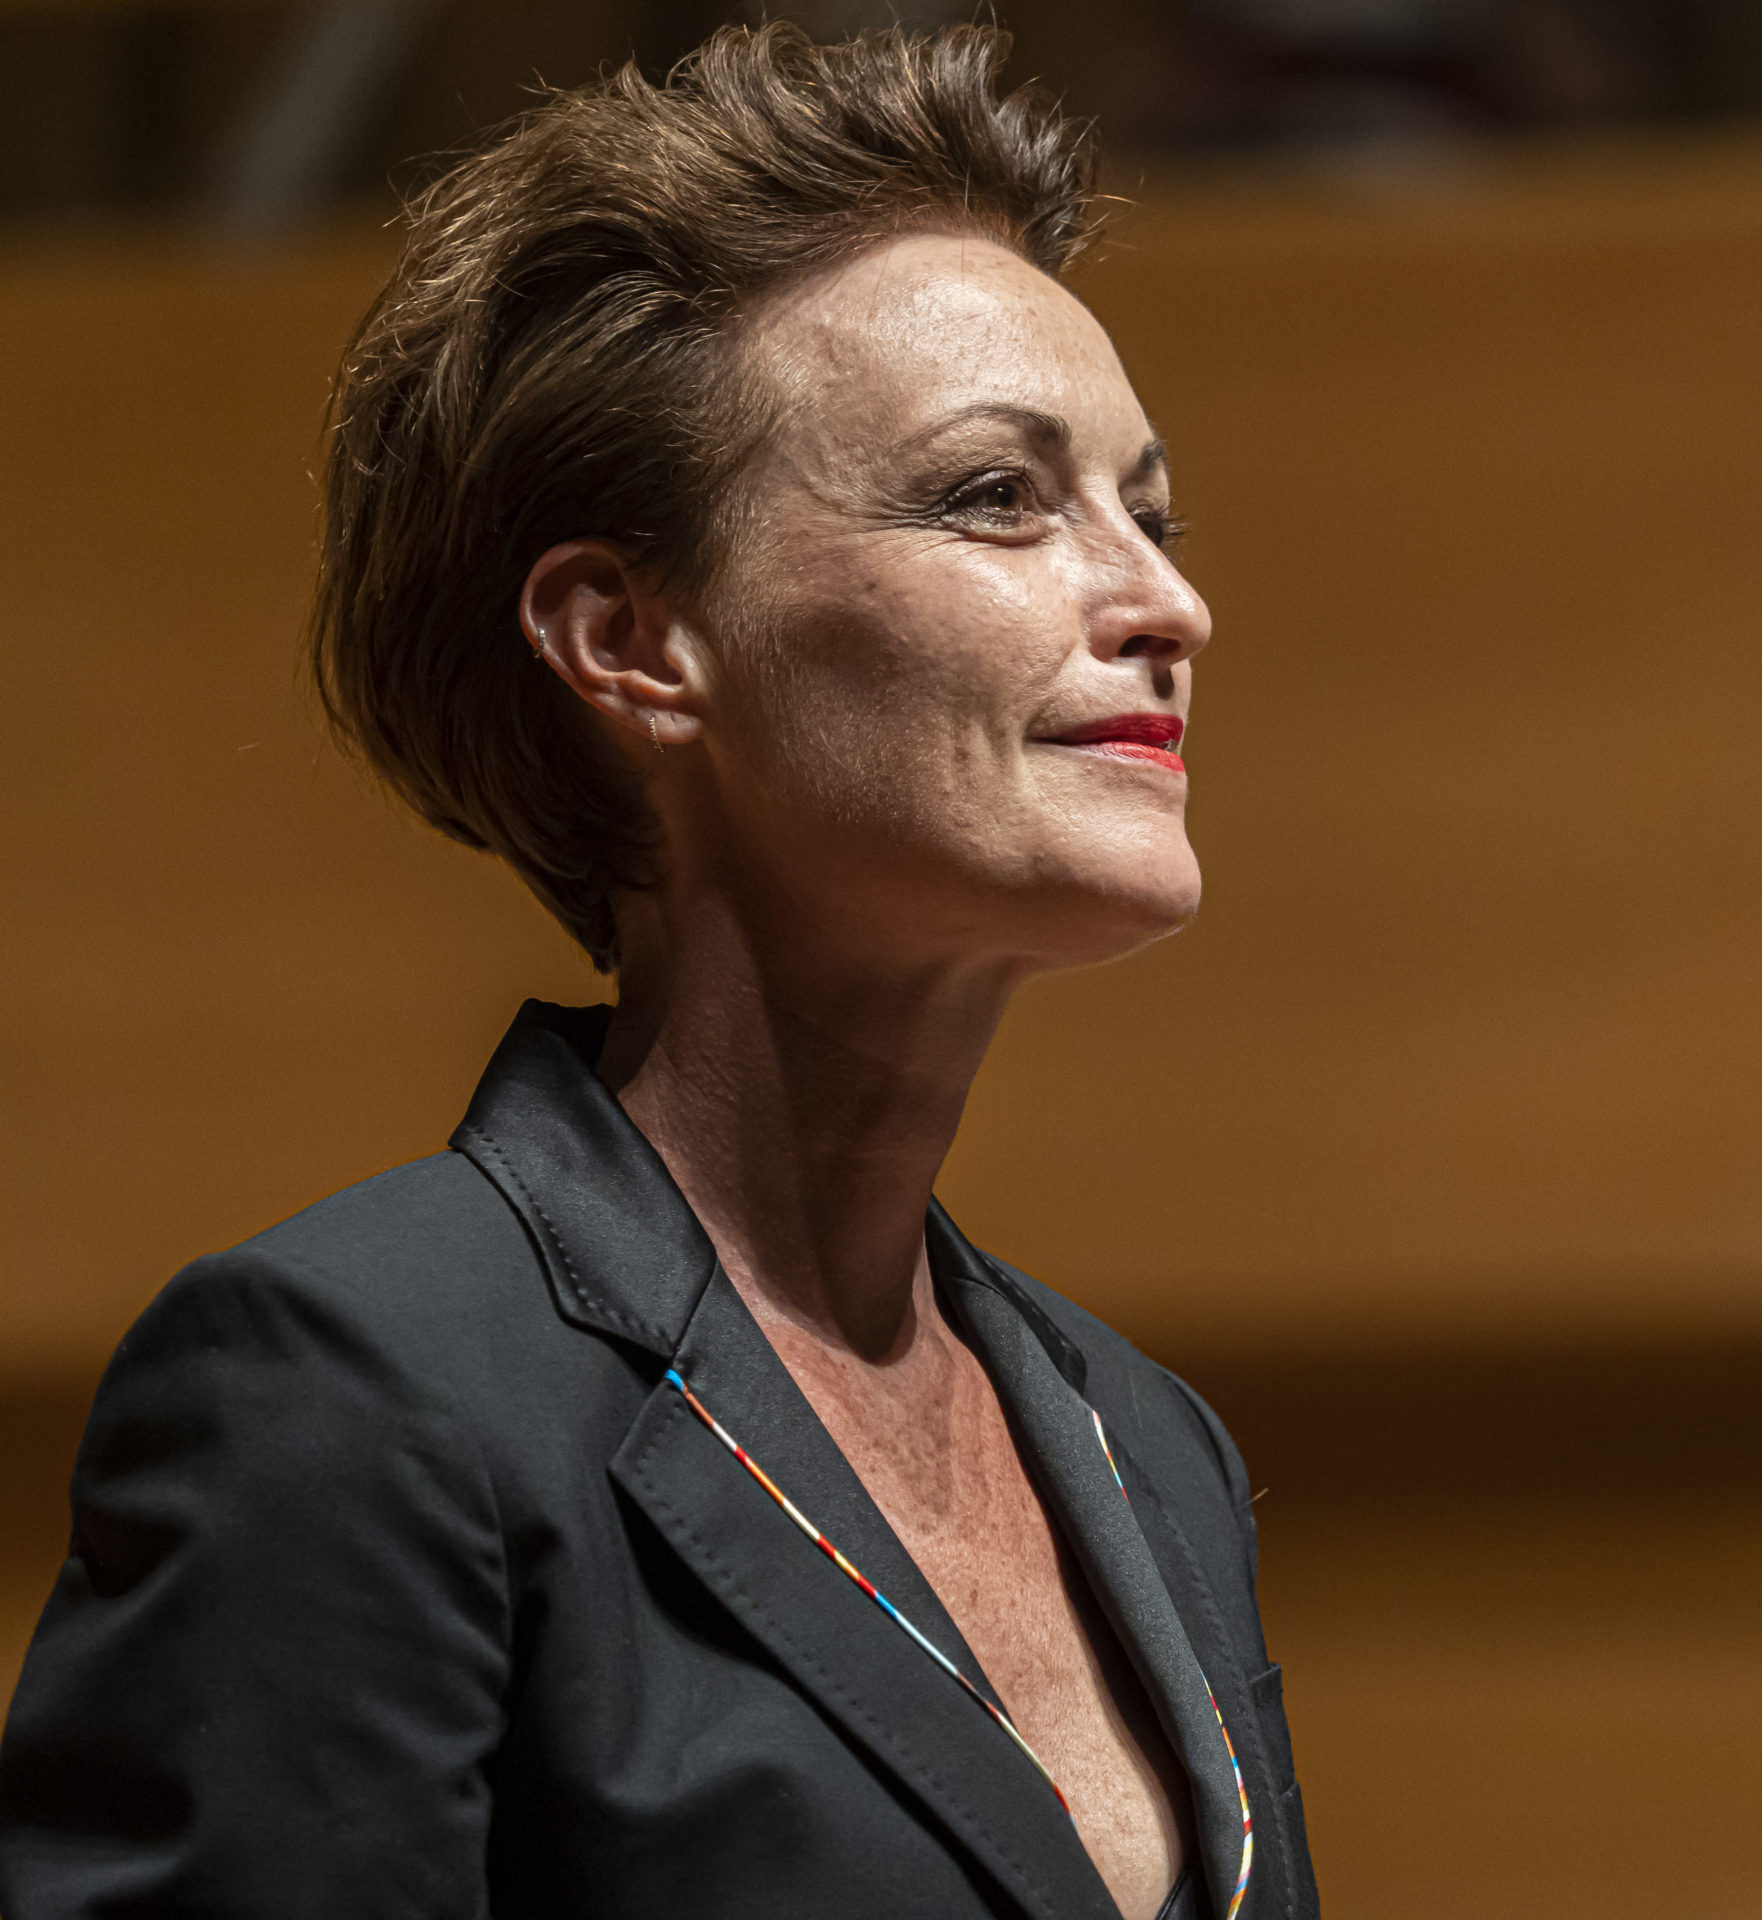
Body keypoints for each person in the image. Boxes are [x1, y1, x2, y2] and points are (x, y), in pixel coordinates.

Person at [0, 24, 1315, 1920]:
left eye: (1152, 514)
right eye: (995, 498)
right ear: (630, 640)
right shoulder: (354, 1392)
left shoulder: (1145, 1444)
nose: (1165, 601)